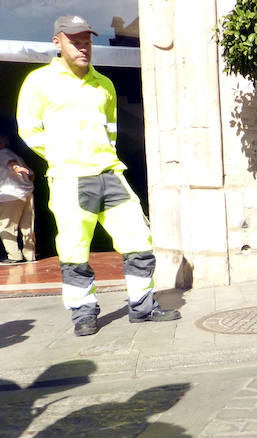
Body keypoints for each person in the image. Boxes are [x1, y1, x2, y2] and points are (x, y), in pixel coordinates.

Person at [17, 15, 180, 336]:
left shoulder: (104, 84)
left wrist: (103, 154)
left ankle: (142, 307)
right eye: (75, 41)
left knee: (139, 240)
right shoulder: (39, 82)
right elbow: (28, 128)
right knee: (75, 249)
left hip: (110, 174)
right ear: (57, 42)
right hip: (70, 178)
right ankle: (83, 312)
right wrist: (63, 156)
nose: (83, 47)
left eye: (87, 41)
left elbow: (111, 130)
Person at [0, 134, 36, 264]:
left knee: (7, 226)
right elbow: (31, 174)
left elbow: (11, 163)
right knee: (27, 226)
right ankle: (30, 255)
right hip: (26, 193)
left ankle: (14, 255)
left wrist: (15, 168)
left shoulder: (3, 154)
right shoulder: (15, 155)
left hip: (10, 195)